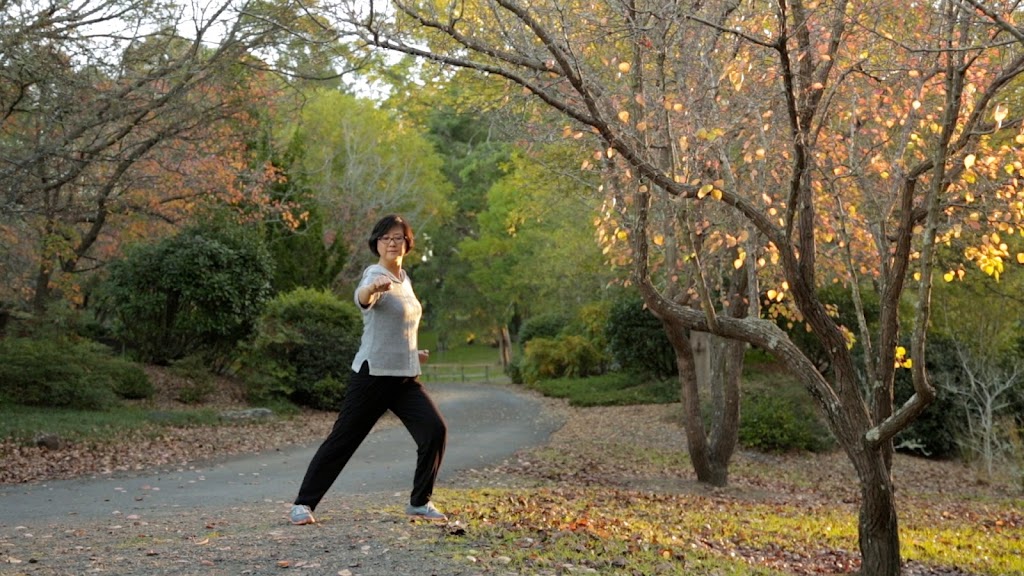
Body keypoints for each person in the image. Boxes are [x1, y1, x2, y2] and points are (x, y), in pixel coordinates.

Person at [289, 214, 448, 524]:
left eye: (398, 237)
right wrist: (372, 289)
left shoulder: (405, 279)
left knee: (434, 430)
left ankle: (419, 502)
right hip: (372, 376)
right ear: (376, 243)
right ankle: (302, 504)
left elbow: (400, 326)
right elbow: (363, 297)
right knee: (343, 440)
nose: (392, 242)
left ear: (407, 243)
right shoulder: (373, 274)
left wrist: (415, 353)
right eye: (386, 237)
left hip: (403, 378)